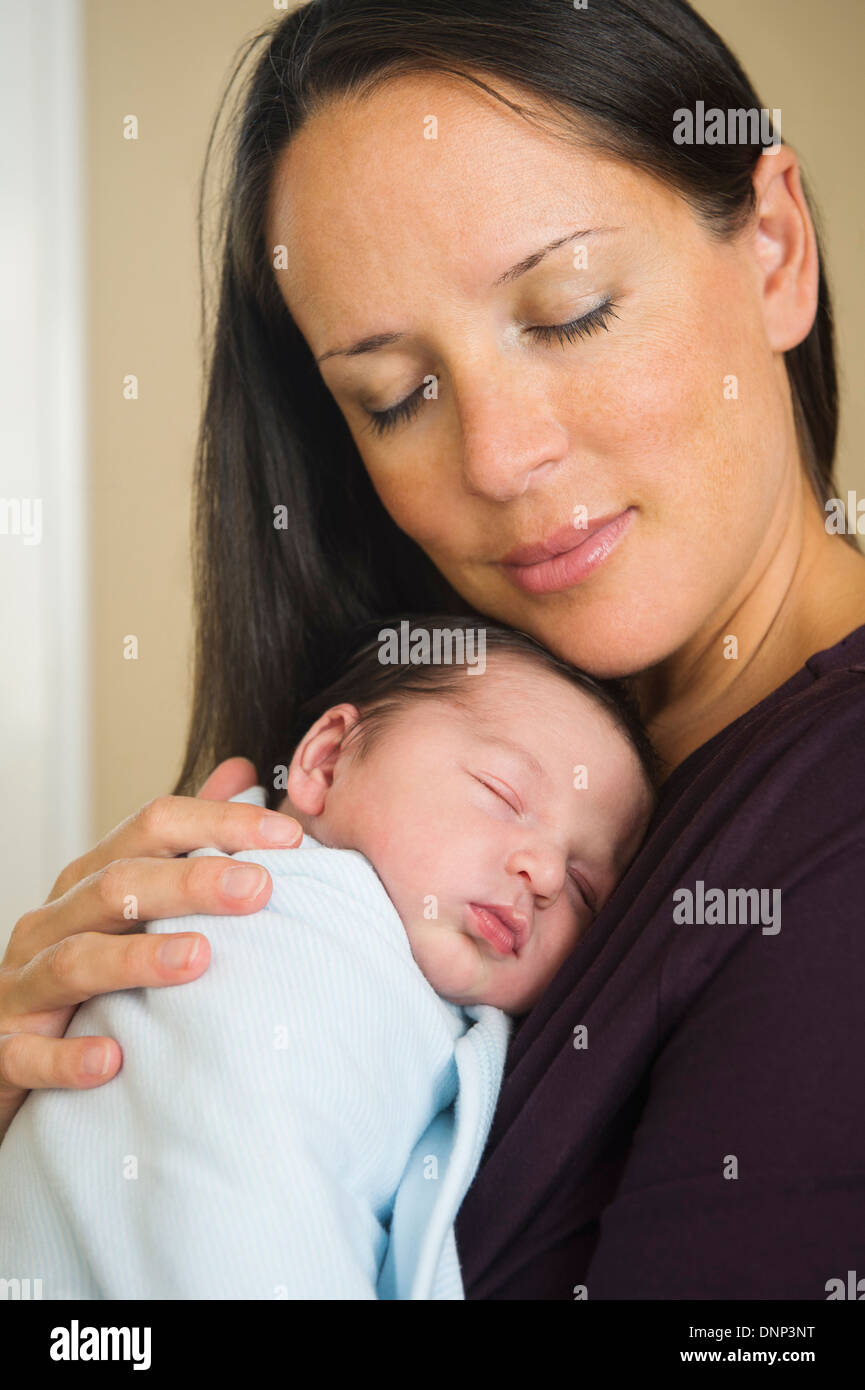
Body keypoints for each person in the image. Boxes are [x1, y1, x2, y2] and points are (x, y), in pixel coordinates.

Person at [2, 0, 864, 1299]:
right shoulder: (357, 863)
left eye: (569, 309)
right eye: (395, 395)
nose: (497, 456)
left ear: (776, 248)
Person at [0, 619, 654, 1298]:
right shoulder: (279, 930)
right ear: (327, 760)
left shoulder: (399, 978)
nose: (545, 874)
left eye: (584, 888)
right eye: (502, 794)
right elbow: (232, 1197)